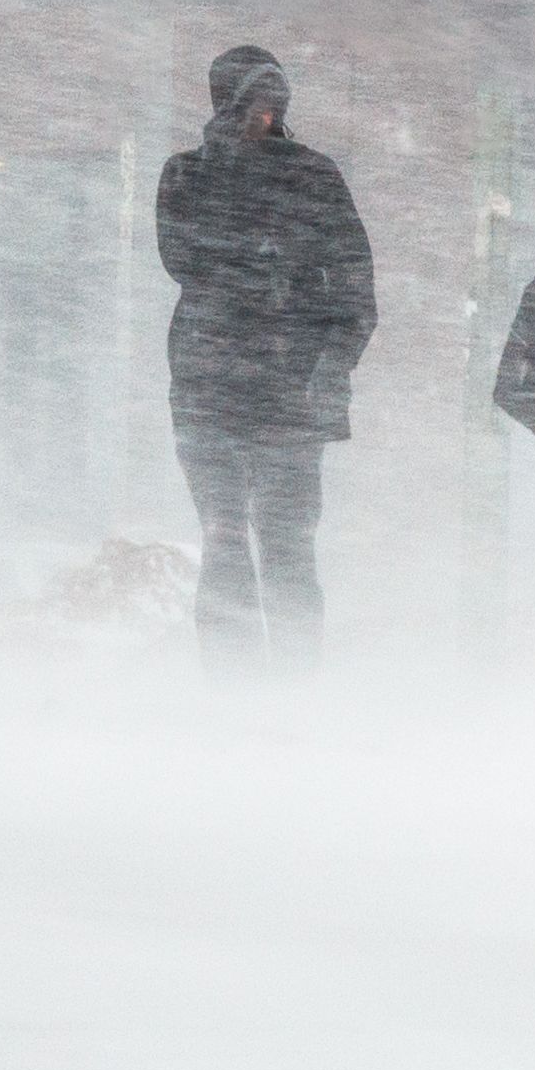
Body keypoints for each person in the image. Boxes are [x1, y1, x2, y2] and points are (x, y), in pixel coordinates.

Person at [157, 46, 376, 672]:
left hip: (289, 394)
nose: (267, 115)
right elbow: (183, 260)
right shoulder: (187, 175)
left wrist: (331, 365)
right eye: (253, 102)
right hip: (210, 391)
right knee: (225, 542)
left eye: (276, 102)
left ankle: (295, 689)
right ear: (225, 104)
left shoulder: (314, 175)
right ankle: (233, 689)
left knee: (288, 548)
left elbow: (357, 287)